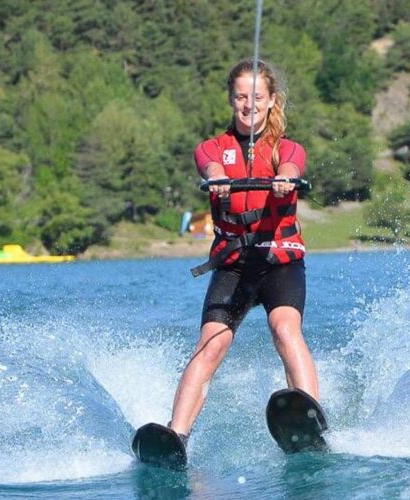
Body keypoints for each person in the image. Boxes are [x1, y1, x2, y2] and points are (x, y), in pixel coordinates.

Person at [168, 59, 319, 445]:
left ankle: (311, 418)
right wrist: (217, 179)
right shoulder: (211, 148)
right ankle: (176, 435)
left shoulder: (288, 149)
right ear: (231, 100)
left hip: (278, 261)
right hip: (234, 266)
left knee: (284, 329)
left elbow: (292, 163)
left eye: (256, 97)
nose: (248, 105)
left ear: (271, 101)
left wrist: (285, 179)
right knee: (211, 343)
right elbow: (210, 165)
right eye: (240, 97)